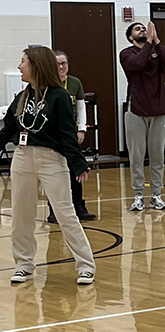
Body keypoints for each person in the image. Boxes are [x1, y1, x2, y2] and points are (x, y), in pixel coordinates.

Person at [0, 47, 95, 285]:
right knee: (21, 215)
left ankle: (85, 266)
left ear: (36, 66)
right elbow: (8, 130)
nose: (20, 66)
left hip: (51, 159)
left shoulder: (59, 96)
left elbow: (67, 133)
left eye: (23, 62)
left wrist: (78, 163)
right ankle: (24, 265)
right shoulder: (22, 97)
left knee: (65, 214)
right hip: (22, 158)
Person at [120, 21, 165, 211]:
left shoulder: (157, 51)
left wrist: (157, 42)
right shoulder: (127, 54)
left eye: (144, 28)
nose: (142, 30)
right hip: (136, 109)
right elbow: (138, 64)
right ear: (130, 37)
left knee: (157, 156)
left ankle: (156, 195)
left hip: (160, 109)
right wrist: (149, 44)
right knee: (136, 156)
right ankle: (138, 195)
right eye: (137, 29)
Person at [46, 50, 95, 222]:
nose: (61, 67)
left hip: (71, 134)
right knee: (55, 173)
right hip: (52, 136)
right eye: (57, 64)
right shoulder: (47, 83)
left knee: (76, 169)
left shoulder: (74, 83)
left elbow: (81, 107)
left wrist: (81, 129)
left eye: (64, 63)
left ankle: (79, 206)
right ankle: (53, 209)